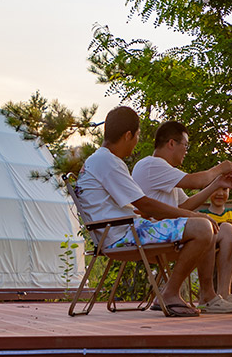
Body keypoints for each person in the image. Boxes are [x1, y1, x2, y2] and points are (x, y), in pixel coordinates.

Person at [77, 106, 215, 317]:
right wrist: (196, 216)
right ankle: (170, 294)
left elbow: (133, 206)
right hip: (123, 235)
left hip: (119, 231)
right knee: (203, 229)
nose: (137, 142)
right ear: (128, 135)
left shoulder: (99, 161)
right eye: (137, 136)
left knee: (202, 233)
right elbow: (146, 204)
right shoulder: (108, 162)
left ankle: (203, 295)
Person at [132, 121, 232, 314]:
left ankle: (223, 295)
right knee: (205, 225)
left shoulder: (167, 173)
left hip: (172, 230)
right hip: (154, 233)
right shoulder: (151, 165)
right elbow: (196, 181)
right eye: (185, 145)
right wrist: (220, 168)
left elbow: (184, 206)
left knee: (226, 228)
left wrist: (215, 184)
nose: (186, 150)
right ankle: (207, 296)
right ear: (171, 143)